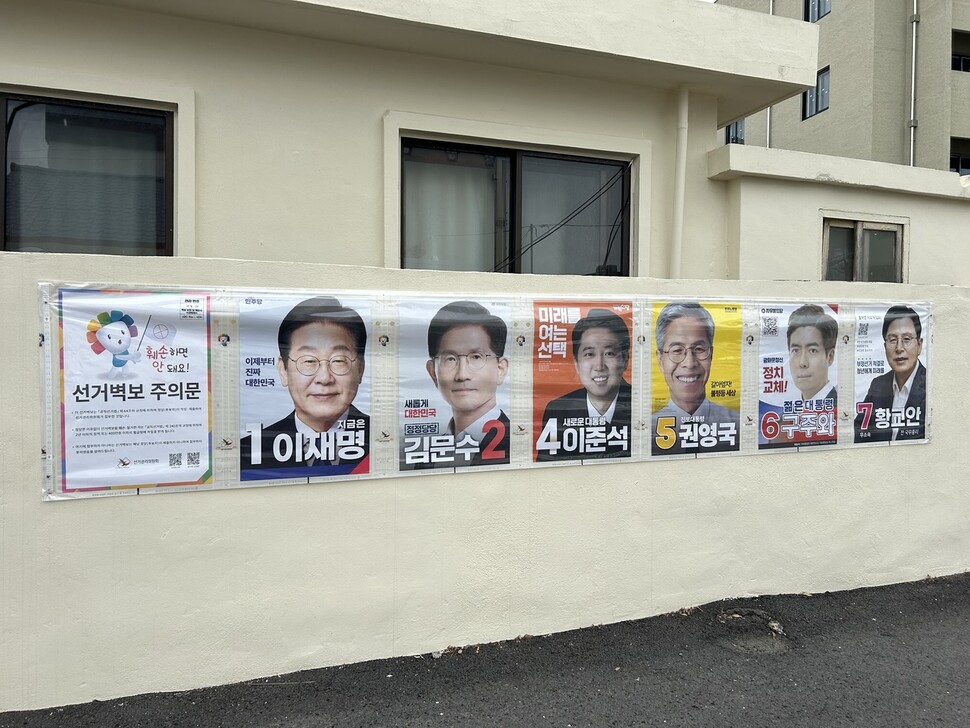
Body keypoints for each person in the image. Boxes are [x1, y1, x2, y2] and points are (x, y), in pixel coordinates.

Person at [240, 296, 369, 477]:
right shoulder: (247, 452)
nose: (324, 378)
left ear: (360, 369)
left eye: (339, 360)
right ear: (283, 370)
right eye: (308, 361)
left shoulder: (389, 441)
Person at [422, 300, 510, 466]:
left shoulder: (518, 442)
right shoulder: (425, 453)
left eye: (476, 357)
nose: (462, 375)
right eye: (450, 359)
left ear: (500, 369)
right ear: (433, 372)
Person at [536, 308, 631, 461]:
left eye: (609, 353)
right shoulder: (558, 410)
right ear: (576, 363)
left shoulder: (642, 406)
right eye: (589, 354)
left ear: (625, 360)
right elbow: (547, 466)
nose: (599, 366)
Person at [652, 302, 739, 454]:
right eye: (677, 350)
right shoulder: (647, 429)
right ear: (660, 359)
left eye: (699, 349)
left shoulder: (736, 423)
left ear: (711, 354)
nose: (690, 363)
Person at [854, 305, 926, 442]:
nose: (899, 348)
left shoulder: (930, 385)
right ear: (884, 346)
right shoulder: (878, 384)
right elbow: (859, 430)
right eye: (892, 340)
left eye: (907, 339)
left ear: (919, 345)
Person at [786, 304, 838, 402]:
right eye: (795, 350)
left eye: (812, 350)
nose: (802, 363)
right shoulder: (788, 411)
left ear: (830, 357)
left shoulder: (841, 406)